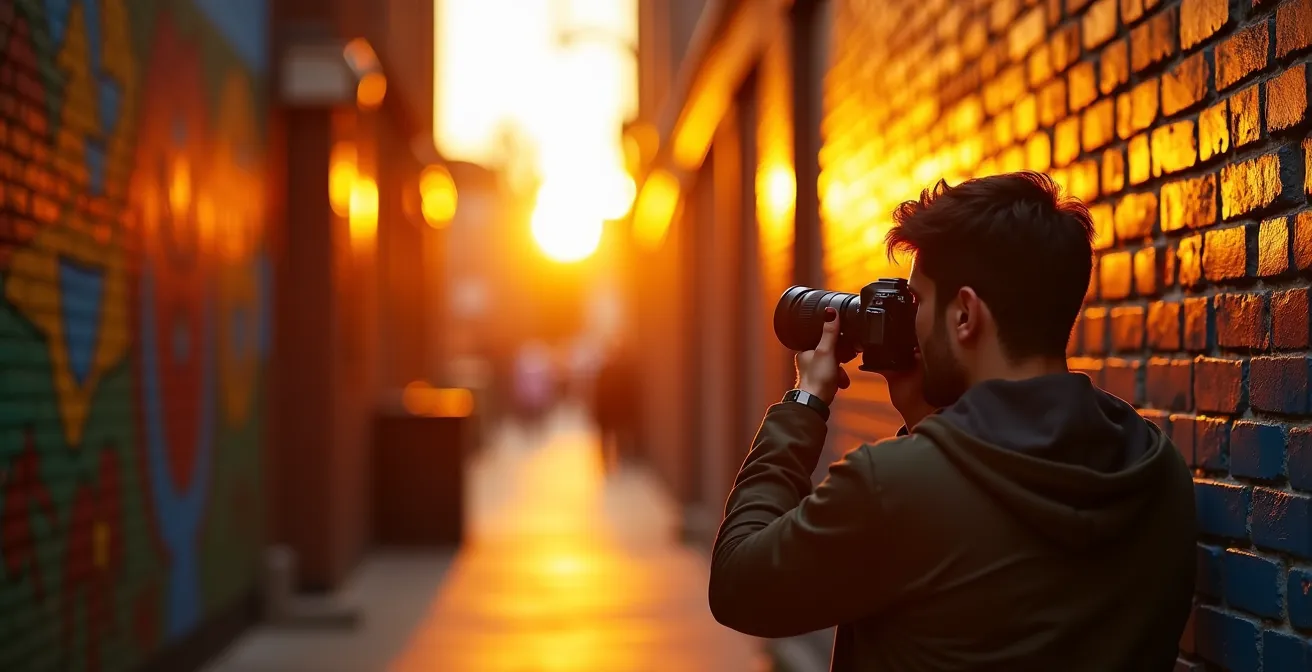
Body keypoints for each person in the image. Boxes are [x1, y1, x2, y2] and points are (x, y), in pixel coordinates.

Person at [708, 172, 1196, 671]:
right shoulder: (1157, 470)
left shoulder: (893, 487)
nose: (911, 322)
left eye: (917, 301)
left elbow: (737, 584)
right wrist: (927, 421)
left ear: (965, 314)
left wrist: (805, 402)